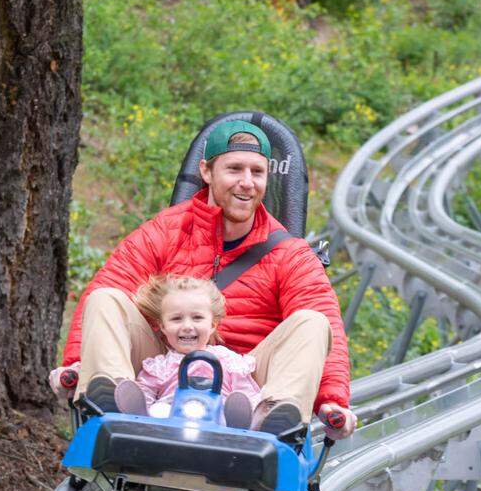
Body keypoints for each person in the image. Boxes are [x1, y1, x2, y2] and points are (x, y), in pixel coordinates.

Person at [54, 118, 356, 439]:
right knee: (106, 297)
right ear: (207, 172)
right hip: (165, 360)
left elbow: (327, 326)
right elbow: (112, 284)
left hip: (247, 382)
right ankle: (114, 400)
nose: (247, 182)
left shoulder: (290, 253)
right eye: (234, 169)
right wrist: (75, 364)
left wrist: (333, 401)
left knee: (313, 321)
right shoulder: (165, 231)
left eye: (257, 172)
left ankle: (270, 419)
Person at [113, 274, 260, 427]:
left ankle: (239, 423)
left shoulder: (228, 361)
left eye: (197, 317)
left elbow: (247, 394)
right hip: (171, 419)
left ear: (212, 325)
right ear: (163, 326)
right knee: (159, 409)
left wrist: (247, 407)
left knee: (235, 407)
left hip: (217, 419)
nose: (187, 326)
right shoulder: (161, 366)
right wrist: (142, 406)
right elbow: (145, 391)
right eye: (176, 319)